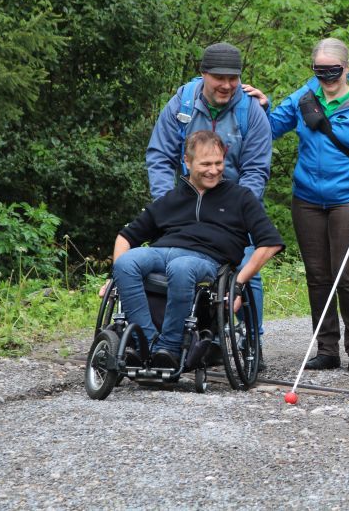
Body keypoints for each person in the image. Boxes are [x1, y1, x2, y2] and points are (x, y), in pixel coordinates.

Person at [243, 38, 349, 373]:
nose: (326, 78)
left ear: (346, 68)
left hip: (348, 199)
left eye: (333, 72)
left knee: (346, 274)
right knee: (318, 275)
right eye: (320, 71)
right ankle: (326, 348)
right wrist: (262, 106)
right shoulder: (303, 98)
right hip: (307, 199)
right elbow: (268, 129)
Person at [145, 42, 273, 368]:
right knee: (168, 264)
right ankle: (171, 338)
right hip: (187, 201)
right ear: (203, 75)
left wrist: (240, 210)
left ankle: (249, 344)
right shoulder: (181, 105)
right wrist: (166, 205)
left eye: (233, 78)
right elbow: (160, 156)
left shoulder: (252, 113)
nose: (227, 85)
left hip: (232, 203)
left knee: (247, 267)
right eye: (219, 78)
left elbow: (257, 169)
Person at [113, 131, 284, 368]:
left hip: (207, 260)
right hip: (162, 252)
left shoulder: (240, 197)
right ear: (187, 161)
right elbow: (125, 236)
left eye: (218, 163)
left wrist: (239, 284)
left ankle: (169, 348)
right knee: (125, 263)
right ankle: (145, 342)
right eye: (205, 164)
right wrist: (115, 276)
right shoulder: (171, 198)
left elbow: (270, 243)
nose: (213, 170)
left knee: (181, 267)